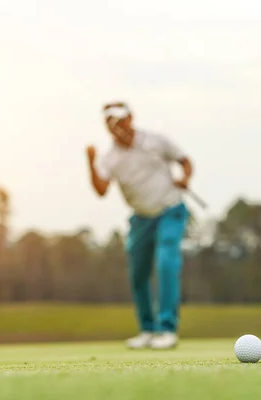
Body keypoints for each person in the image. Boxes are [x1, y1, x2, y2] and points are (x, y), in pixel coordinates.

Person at [86, 102, 193, 350]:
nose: (117, 128)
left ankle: (167, 329)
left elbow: (185, 161)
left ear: (131, 118)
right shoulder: (109, 158)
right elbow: (101, 190)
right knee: (138, 274)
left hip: (170, 210)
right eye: (111, 125)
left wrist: (184, 178)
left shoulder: (156, 141)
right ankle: (148, 329)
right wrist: (90, 163)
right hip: (141, 218)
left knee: (167, 262)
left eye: (121, 122)